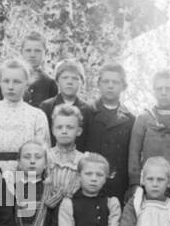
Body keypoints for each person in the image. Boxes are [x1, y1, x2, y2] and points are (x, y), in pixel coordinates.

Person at [0, 57, 50, 187]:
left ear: (27, 84)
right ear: (0, 82)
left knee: (25, 206)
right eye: (6, 81)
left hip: (27, 174)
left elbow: (42, 151)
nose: (10, 87)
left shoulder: (37, 115)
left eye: (17, 82)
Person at [128, 69, 170, 198]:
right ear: (154, 90)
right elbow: (134, 153)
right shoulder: (144, 118)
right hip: (150, 183)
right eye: (159, 89)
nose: (164, 93)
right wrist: (135, 182)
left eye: (169, 89)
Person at [81, 62, 135, 203]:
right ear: (98, 84)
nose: (110, 86)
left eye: (115, 82)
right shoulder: (86, 112)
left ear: (124, 86)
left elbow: (131, 155)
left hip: (117, 185)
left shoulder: (130, 119)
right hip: (88, 182)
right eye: (106, 81)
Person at [39, 59, 93, 137]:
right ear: (57, 81)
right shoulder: (46, 107)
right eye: (65, 78)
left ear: (82, 83)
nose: (69, 82)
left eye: (75, 78)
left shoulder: (88, 110)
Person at [45, 103, 85, 198]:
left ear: (79, 131)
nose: (64, 131)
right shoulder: (44, 156)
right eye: (59, 127)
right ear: (53, 131)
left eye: (70, 127)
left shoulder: (83, 160)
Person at [20, 31, 57, 105]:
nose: (32, 55)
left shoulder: (50, 83)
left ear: (45, 53)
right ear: (21, 52)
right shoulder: (10, 78)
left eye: (37, 51)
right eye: (28, 50)